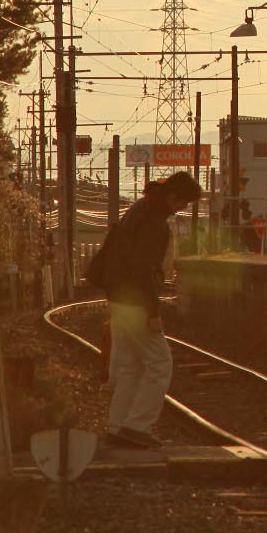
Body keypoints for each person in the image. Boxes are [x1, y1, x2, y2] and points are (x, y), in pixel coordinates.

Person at [88, 170, 201, 449]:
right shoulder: (155, 223)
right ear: (173, 196)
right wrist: (153, 312)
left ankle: (118, 426)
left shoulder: (140, 208)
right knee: (159, 363)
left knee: (129, 365)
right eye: (183, 203)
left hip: (118, 295)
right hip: (136, 300)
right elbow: (144, 270)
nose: (182, 209)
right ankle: (138, 426)